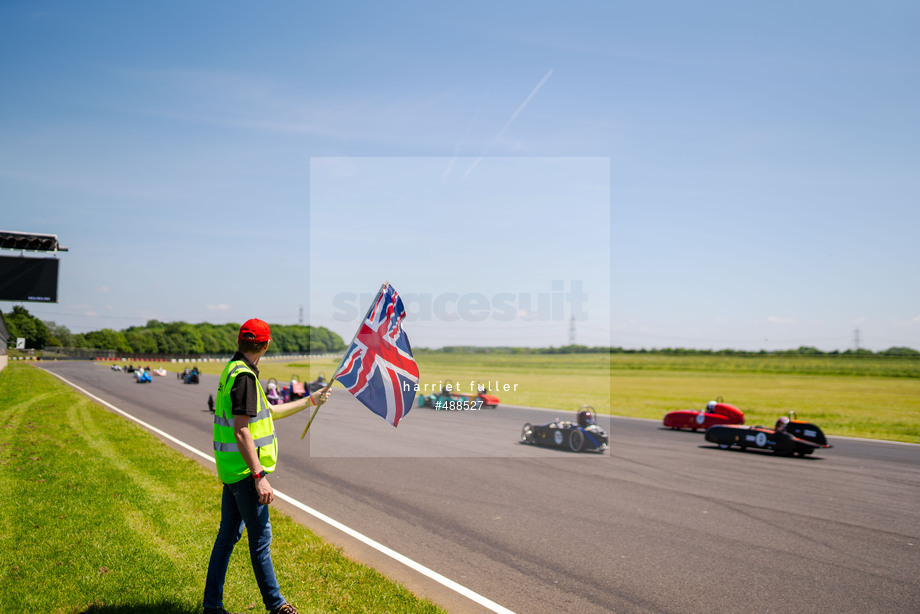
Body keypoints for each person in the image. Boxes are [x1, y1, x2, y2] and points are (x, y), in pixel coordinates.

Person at [203, 318, 330, 614]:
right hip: (247, 472)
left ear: (239, 342)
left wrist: (310, 401)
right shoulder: (245, 378)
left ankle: (212, 606)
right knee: (260, 539)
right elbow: (242, 430)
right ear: (266, 345)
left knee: (228, 536)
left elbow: (269, 412)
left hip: (233, 469)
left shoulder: (234, 370)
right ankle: (276, 606)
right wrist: (259, 475)